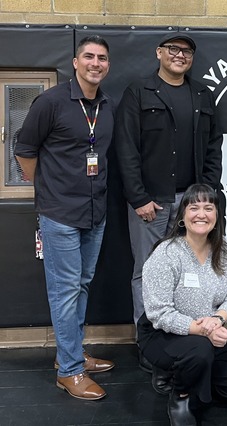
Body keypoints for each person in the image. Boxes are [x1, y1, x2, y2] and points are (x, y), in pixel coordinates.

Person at [114, 33, 223, 375]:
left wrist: (207, 195)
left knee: (191, 271)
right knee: (146, 272)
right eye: (173, 50)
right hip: (153, 203)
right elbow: (126, 148)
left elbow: (213, 148)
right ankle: (148, 342)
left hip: (192, 203)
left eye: (186, 51)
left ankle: (188, 336)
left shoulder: (203, 94)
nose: (180, 55)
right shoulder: (138, 91)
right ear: (159, 53)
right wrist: (138, 197)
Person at [14, 35, 115, 400]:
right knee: (65, 290)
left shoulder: (106, 105)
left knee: (82, 284)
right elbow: (24, 149)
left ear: (107, 65)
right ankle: (69, 371)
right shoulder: (51, 102)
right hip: (59, 213)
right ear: (75, 62)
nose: (95, 63)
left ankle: (70, 354)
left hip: (95, 211)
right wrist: (43, 185)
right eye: (88, 56)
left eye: (102, 58)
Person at [138, 183, 227, 426]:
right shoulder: (166, 254)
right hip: (162, 333)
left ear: (217, 216)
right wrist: (205, 330)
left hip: (206, 333)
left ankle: (191, 373)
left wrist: (218, 319)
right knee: (199, 352)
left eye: (209, 208)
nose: (202, 214)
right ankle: (181, 395)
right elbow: (160, 313)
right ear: (182, 216)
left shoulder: (224, 252)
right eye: (194, 208)